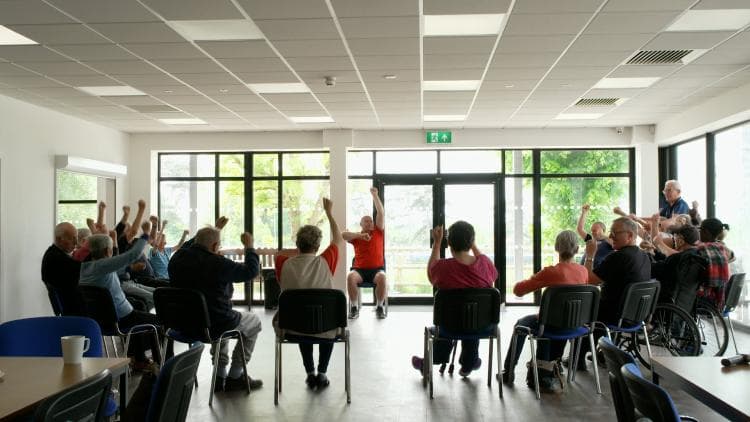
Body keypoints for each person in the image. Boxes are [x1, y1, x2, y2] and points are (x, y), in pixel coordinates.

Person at [168, 217, 263, 392]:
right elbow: (251, 271)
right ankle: (235, 376)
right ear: (214, 246)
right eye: (218, 246)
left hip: (184, 324)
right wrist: (249, 247)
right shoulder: (218, 263)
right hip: (214, 324)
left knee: (220, 319)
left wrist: (215, 229)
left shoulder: (177, 258)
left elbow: (190, 245)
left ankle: (219, 376)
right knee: (253, 322)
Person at [78, 200, 162, 367]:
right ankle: (160, 363)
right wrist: (145, 234)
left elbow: (114, 272)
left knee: (139, 307)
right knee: (161, 322)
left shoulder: (86, 268)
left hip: (101, 320)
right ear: (107, 251)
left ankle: (138, 359)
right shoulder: (103, 265)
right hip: (121, 318)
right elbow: (132, 255)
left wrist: (129, 268)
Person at [502, 230, 588, 392]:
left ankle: (508, 371)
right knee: (547, 321)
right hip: (574, 325)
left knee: (521, 324)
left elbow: (518, 291)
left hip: (548, 325)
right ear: (577, 250)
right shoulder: (583, 271)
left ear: (556, 248)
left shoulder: (550, 272)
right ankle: (549, 366)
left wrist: (535, 278)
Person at [411, 221, 498, 378]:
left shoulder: (443, 267)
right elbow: (490, 272)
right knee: (472, 315)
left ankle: (432, 361)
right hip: (481, 327)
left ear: (449, 243)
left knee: (449, 318)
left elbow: (431, 275)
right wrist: (473, 245)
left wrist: (437, 244)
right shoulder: (485, 264)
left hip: (449, 327)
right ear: (471, 242)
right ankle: (469, 362)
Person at [274, 197, 342, 389]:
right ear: (318, 247)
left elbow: (279, 255)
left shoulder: (282, 262)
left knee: (302, 316)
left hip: (292, 327)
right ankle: (322, 373)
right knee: (326, 322)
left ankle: (310, 372)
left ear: (297, 244)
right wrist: (329, 213)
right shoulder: (326, 261)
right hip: (326, 328)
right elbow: (338, 239)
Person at [578, 217, 651, 367]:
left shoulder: (619, 257)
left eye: (614, 233)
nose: (610, 236)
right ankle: (604, 352)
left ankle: (577, 359)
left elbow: (589, 280)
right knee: (598, 308)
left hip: (616, 315)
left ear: (629, 235)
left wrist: (590, 255)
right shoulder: (643, 256)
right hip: (637, 316)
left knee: (583, 308)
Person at [344, 187, 387, 319]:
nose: (369, 222)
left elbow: (381, 213)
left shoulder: (378, 232)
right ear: (361, 224)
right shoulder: (356, 236)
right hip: (359, 271)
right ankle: (354, 307)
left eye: (370, 221)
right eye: (366, 221)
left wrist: (375, 195)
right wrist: (360, 236)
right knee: (350, 277)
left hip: (376, 270)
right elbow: (343, 235)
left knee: (382, 277)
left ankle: (379, 307)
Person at [41, 222, 85, 315]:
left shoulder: (53, 253)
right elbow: (85, 270)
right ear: (59, 239)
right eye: (72, 238)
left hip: (70, 307)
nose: (76, 243)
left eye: (76, 238)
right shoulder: (56, 259)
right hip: (74, 311)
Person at [695, 218, 733, 310]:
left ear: (706, 232)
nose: (699, 232)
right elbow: (733, 256)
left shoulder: (702, 248)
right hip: (719, 298)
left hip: (704, 298)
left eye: (700, 230)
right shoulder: (722, 248)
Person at [576, 204, 613, 269]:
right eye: (592, 230)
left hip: (597, 272)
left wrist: (603, 236)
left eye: (595, 230)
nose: (592, 232)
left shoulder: (609, 241)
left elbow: (617, 246)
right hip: (583, 271)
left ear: (603, 230)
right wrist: (584, 213)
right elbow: (580, 229)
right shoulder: (590, 240)